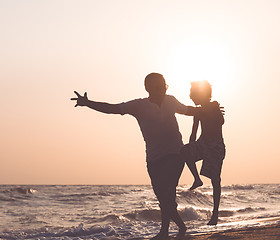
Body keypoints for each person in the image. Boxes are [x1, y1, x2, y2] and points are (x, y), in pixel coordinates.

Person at [71, 73, 198, 239]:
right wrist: (88, 103)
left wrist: (210, 109)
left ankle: (165, 232)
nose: (161, 89)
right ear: (148, 88)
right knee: (162, 196)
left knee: (168, 193)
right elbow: (113, 109)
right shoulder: (138, 106)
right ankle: (179, 228)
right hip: (153, 159)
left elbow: (190, 111)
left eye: (163, 85)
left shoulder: (171, 101)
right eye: (157, 86)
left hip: (175, 154)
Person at [181, 80, 226, 226]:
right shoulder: (198, 111)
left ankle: (215, 214)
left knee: (215, 180)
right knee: (184, 151)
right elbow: (193, 133)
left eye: (193, 94)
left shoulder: (214, 106)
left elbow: (221, 122)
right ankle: (197, 179)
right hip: (203, 143)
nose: (191, 97)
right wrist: (190, 146)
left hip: (216, 146)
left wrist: (212, 111)